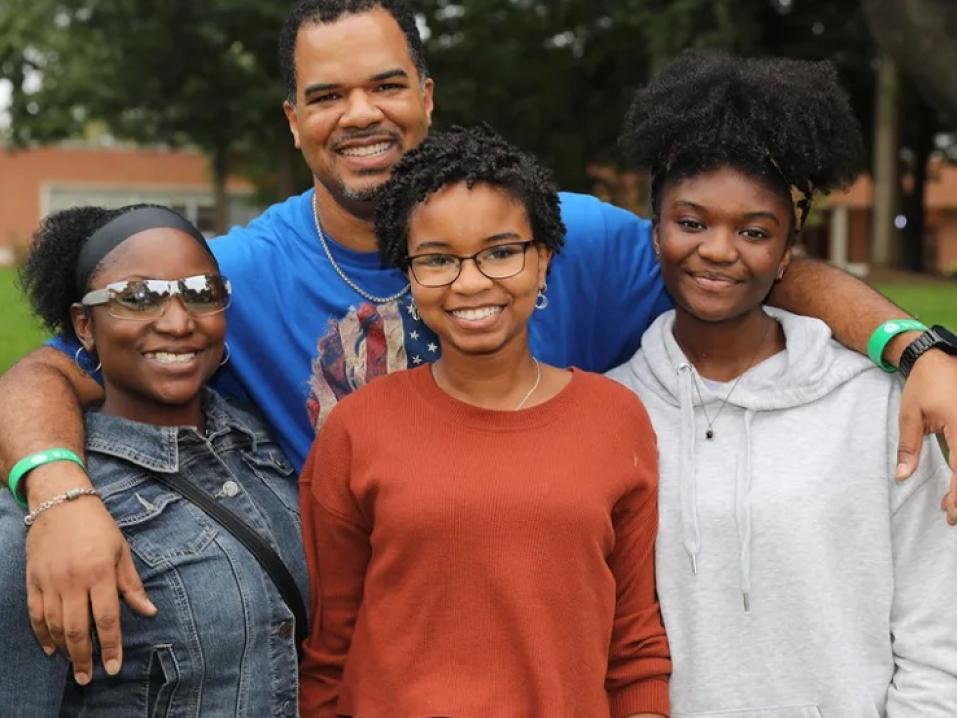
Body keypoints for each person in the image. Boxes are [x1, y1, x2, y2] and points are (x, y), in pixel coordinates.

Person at [0, 0, 955, 683]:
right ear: (294, 122)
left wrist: (917, 351)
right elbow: (54, 364)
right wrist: (56, 488)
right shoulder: (233, 274)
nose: (361, 112)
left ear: (425, 91)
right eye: (327, 95)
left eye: (385, 83)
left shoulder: (571, 238)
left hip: (556, 657)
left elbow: (755, 262)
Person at [608, 52, 957, 716]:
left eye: (753, 231)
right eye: (691, 222)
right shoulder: (606, 409)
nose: (717, 249)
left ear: (785, 252)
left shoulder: (880, 407)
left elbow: (937, 634)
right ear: (653, 234)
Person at [299, 124, 670, 717]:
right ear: (409, 276)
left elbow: (635, 646)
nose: (471, 282)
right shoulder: (357, 428)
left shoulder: (615, 419)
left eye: (501, 252)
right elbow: (329, 656)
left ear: (543, 260)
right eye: (438, 259)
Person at [0, 205, 308, 715]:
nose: (178, 322)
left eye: (201, 293)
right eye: (138, 298)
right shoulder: (48, 520)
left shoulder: (260, 442)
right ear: (84, 325)